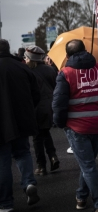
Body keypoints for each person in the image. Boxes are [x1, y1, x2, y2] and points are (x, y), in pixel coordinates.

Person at [52, 39, 98, 212]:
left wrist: (60, 123)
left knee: (88, 166)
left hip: (77, 126)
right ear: (85, 51)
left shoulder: (65, 73)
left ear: (67, 56)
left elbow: (58, 104)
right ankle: (81, 196)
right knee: (88, 164)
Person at [0, 39, 41, 212]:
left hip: (2, 123)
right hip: (22, 118)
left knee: (3, 161)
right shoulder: (22, 67)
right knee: (23, 152)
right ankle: (29, 182)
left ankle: (6, 202)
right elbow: (36, 93)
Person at [24, 46, 60, 175]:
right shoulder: (50, 70)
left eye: (26, 57)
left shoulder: (28, 72)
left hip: (36, 107)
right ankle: (53, 156)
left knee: (37, 138)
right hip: (50, 106)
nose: (25, 60)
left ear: (31, 59)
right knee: (45, 133)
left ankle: (41, 166)